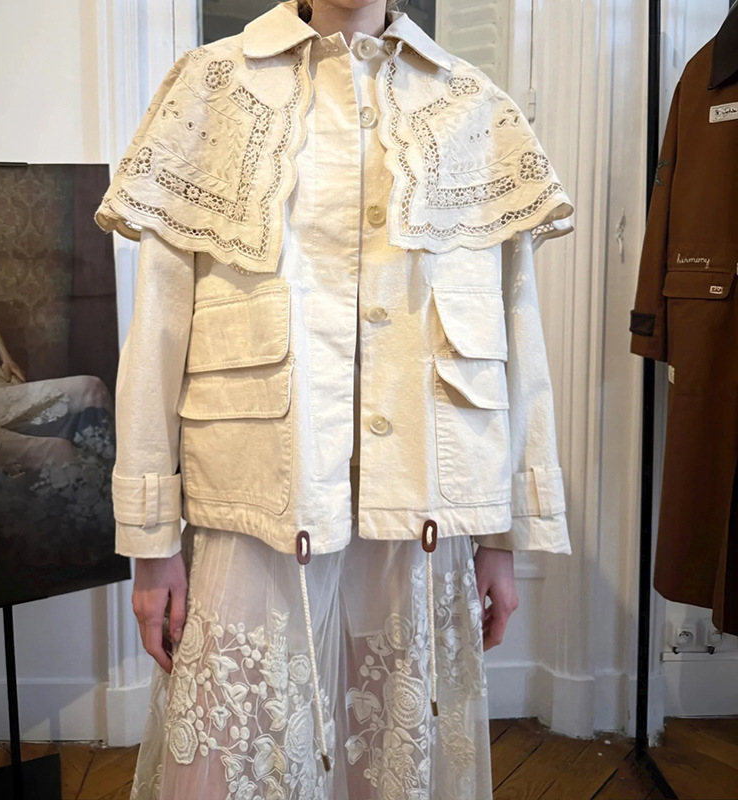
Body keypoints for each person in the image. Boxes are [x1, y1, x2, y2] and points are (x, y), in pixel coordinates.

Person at [95, 0, 574, 797]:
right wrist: (151, 544)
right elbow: (158, 333)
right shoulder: (212, 87)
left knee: (392, 756)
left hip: (419, 510)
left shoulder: (473, 106)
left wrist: (502, 537)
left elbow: (516, 336)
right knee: (236, 756)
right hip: (254, 496)